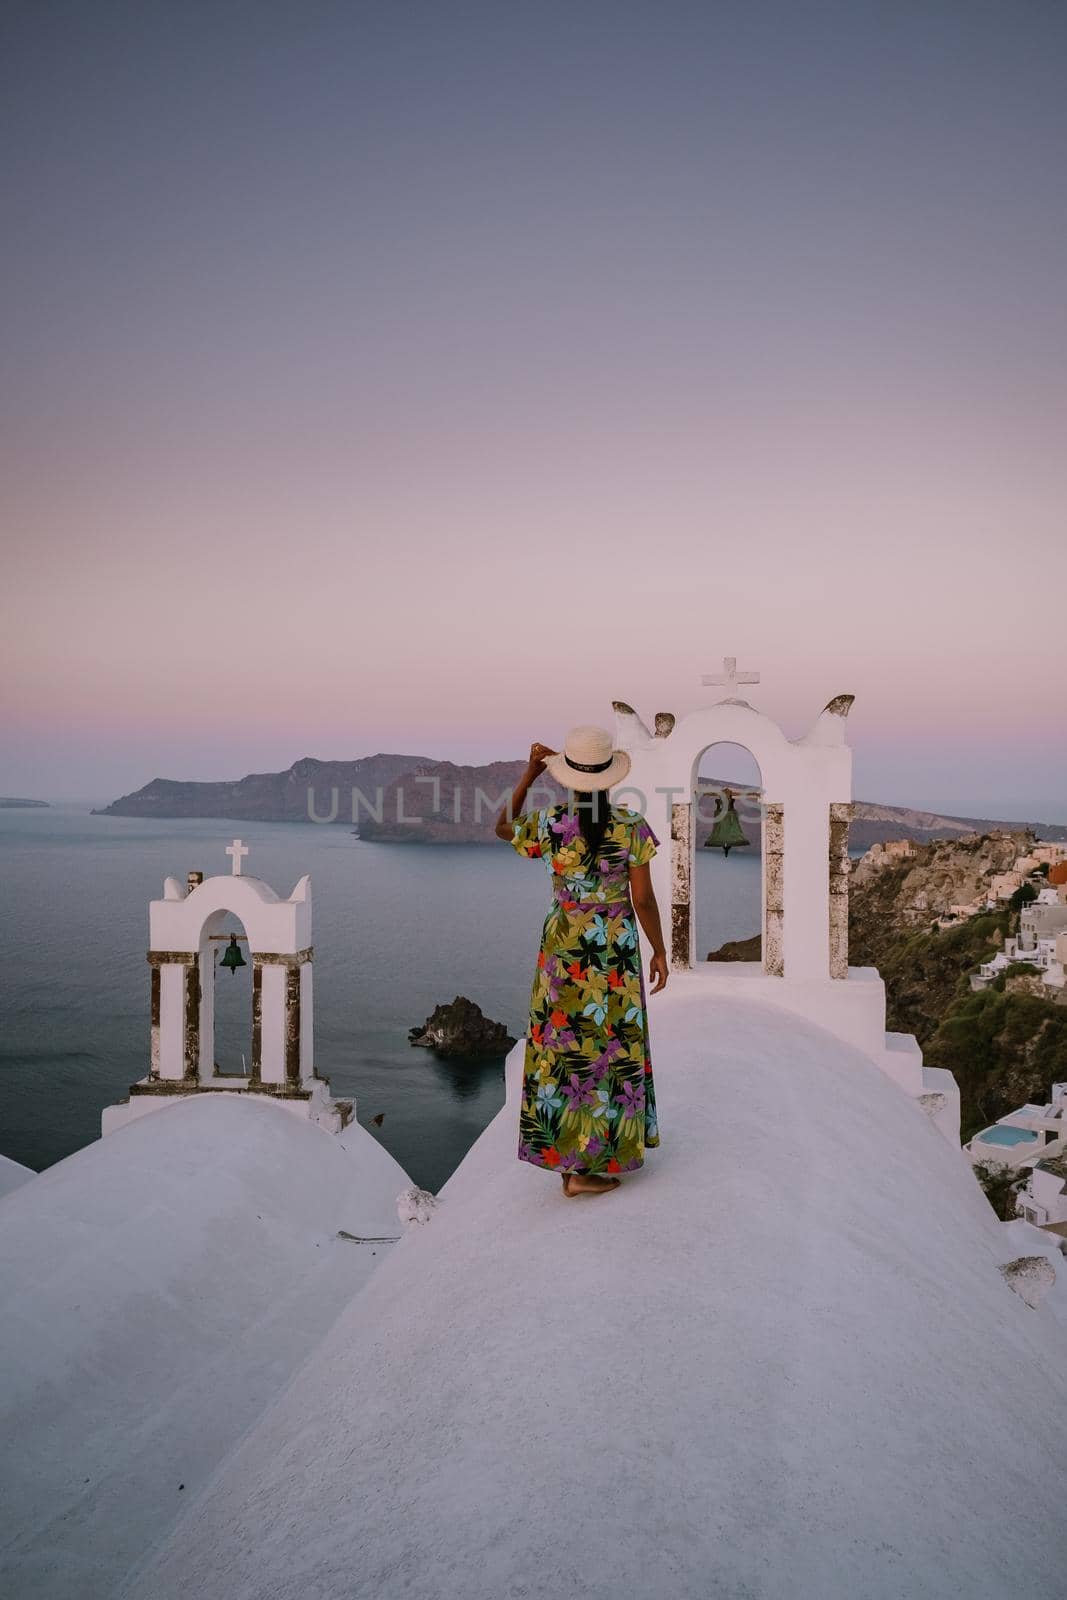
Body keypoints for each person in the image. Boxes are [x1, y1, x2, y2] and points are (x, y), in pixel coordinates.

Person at [495, 725, 668, 1198]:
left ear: (568, 778)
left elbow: (502, 827)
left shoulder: (552, 824)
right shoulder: (631, 826)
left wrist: (530, 774)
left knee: (562, 1049)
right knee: (611, 1048)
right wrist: (660, 951)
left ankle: (568, 1164)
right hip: (612, 949)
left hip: (564, 946)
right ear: (610, 778)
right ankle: (596, 1158)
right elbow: (645, 899)